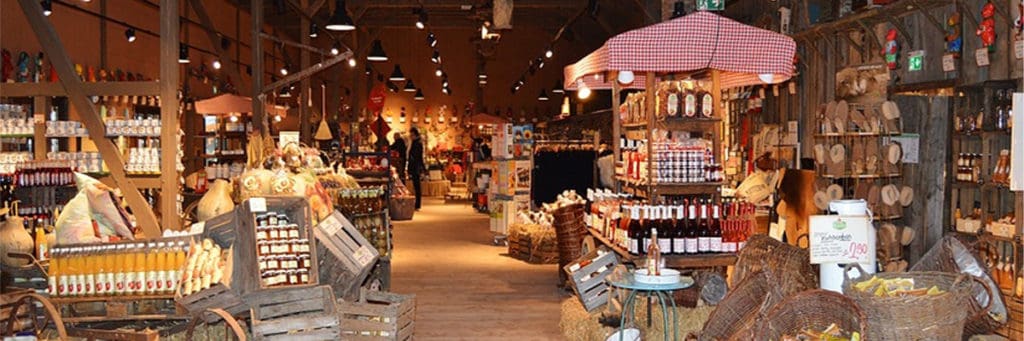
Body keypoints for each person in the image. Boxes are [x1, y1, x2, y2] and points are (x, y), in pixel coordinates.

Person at [408, 128, 425, 210]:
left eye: (411, 135)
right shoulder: (416, 142)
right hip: (415, 166)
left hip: (416, 167)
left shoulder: (417, 143)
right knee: (416, 186)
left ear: (414, 134)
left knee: (417, 186)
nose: (410, 137)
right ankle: (417, 203)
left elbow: (417, 156)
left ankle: (418, 204)